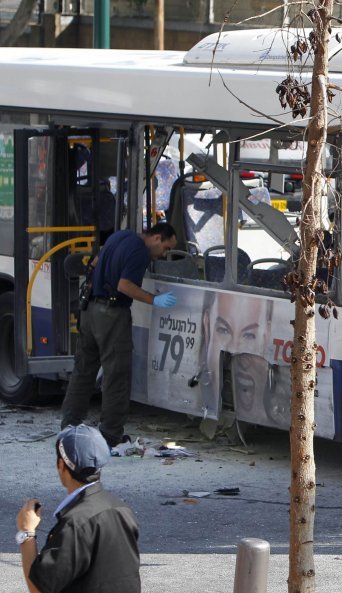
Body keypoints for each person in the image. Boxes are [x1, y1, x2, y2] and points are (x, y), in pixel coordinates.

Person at [61, 222, 179, 447]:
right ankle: (110, 435)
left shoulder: (119, 236)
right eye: (165, 248)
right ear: (156, 238)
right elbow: (124, 285)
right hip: (112, 316)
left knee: (83, 371)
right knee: (117, 376)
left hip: (90, 310)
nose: (163, 255)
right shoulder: (140, 252)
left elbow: (94, 263)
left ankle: (69, 425)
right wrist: (154, 299)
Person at [15, 424, 140, 593]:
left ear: (61, 464)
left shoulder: (75, 523)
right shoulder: (122, 509)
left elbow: (38, 589)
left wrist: (26, 533)